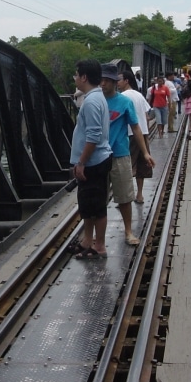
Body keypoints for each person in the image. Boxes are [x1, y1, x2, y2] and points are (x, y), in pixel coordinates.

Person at [101, 64, 153, 245]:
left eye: (108, 80)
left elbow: (136, 127)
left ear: (116, 82)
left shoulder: (124, 102)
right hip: (98, 156)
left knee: (125, 197)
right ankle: (94, 237)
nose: (104, 83)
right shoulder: (94, 101)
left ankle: (128, 232)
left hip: (120, 154)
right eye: (102, 79)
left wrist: (145, 152)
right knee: (97, 198)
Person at [70, 58, 113, 258]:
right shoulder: (95, 98)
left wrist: (81, 162)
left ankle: (100, 246)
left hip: (94, 162)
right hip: (94, 160)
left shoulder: (92, 101)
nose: (75, 78)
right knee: (87, 204)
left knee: (96, 205)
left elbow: (93, 136)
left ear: (84, 77)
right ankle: (88, 240)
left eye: (77, 75)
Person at [117, 70, 156, 204]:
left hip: (130, 133)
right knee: (142, 165)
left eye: (119, 80)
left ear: (126, 80)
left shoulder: (122, 96)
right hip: (143, 133)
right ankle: (139, 195)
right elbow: (147, 115)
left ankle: (125, 198)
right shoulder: (139, 95)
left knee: (127, 167)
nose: (117, 82)